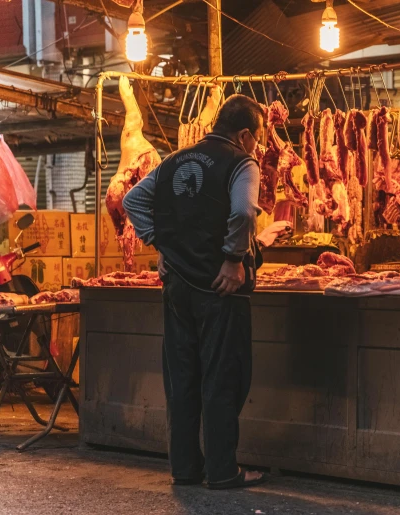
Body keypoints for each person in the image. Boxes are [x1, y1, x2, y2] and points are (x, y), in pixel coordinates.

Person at [122, 94, 271, 490]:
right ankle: (223, 470)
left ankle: (185, 469)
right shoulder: (242, 162)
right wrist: (233, 258)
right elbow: (242, 212)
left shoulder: (172, 161)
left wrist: (160, 244)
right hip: (220, 290)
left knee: (182, 378)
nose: (257, 146)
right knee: (223, 377)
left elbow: (131, 200)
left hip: (177, 289)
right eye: (257, 138)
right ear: (244, 134)